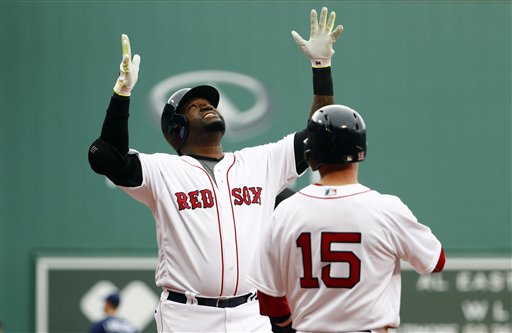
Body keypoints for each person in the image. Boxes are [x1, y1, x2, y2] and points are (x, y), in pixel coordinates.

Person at [88, 7, 343, 333]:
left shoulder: (258, 163)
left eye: (209, 104)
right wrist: (121, 94)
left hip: (251, 314)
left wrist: (321, 68)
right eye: (194, 107)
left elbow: (319, 135)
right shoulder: (163, 170)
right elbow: (107, 157)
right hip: (187, 315)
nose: (207, 106)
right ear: (176, 129)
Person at [247, 104, 447, 333]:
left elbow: (269, 297)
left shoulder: (286, 211)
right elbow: (436, 261)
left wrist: (288, 324)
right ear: (362, 151)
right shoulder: (386, 209)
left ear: (310, 157)